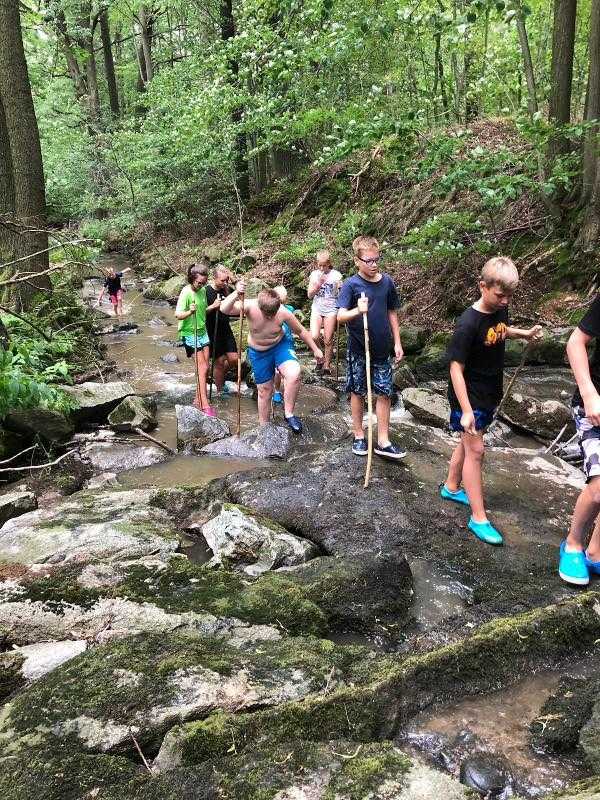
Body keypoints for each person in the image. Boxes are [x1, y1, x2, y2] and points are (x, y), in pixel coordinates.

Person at [440, 257, 542, 546]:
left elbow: (500, 331)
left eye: (510, 295)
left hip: (488, 391)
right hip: (468, 396)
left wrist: (524, 334)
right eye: (500, 295)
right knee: (476, 451)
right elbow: (455, 369)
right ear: (482, 286)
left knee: (467, 442)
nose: (505, 301)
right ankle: (478, 517)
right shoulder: (467, 324)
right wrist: (466, 411)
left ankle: (450, 486)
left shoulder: (499, 310)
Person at [337, 235, 406, 460]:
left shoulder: (387, 282)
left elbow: (392, 312)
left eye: (377, 259)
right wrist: (358, 310)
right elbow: (340, 316)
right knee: (358, 391)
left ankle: (383, 440)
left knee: (384, 392)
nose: (374, 264)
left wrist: (397, 342)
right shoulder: (351, 285)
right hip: (359, 349)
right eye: (368, 260)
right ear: (357, 260)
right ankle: (359, 435)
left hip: (382, 348)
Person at [220, 283, 323, 433]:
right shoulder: (249, 305)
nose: (270, 316)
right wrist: (236, 293)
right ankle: (264, 426)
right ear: (260, 306)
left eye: (272, 313)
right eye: (267, 313)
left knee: (294, 374)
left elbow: (300, 330)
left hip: (280, 346)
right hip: (258, 352)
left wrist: (315, 349)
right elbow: (224, 309)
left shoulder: (283, 312)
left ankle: (289, 414)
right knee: (264, 391)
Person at [559, 296, 600, 585]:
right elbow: (575, 342)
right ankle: (573, 543)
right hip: (593, 407)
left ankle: (595, 552)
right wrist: (589, 394)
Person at [175, 263, 220, 417]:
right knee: (202, 368)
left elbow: (203, 311)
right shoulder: (186, 292)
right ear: (191, 279)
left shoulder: (202, 292)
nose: (201, 285)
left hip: (202, 332)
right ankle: (204, 404)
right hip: (189, 333)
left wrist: (213, 306)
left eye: (204, 283)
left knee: (205, 367)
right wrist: (189, 311)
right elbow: (178, 315)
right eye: (199, 282)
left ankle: (197, 398)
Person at [307, 250, 343, 375]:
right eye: (320, 265)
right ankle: (319, 358)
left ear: (329, 263)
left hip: (331, 309)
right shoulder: (314, 274)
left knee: (328, 339)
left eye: (324, 265)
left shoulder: (336, 275)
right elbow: (310, 295)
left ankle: (327, 365)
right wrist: (318, 284)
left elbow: (341, 293)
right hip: (317, 307)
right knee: (314, 336)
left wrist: (341, 289)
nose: (322, 268)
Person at [206, 266, 238, 396]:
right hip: (212, 330)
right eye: (222, 280)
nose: (225, 283)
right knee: (219, 362)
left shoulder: (227, 290)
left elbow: (240, 295)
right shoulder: (205, 291)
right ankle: (220, 390)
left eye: (227, 280)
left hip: (226, 329)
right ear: (214, 278)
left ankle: (217, 375)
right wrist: (213, 306)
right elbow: (200, 312)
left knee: (234, 359)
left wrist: (233, 278)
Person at [273, 285, 296, 405]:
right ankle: (276, 391)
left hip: (287, 341)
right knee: (277, 371)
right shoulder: (271, 310)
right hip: (276, 342)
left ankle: (287, 391)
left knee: (288, 370)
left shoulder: (290, 309)